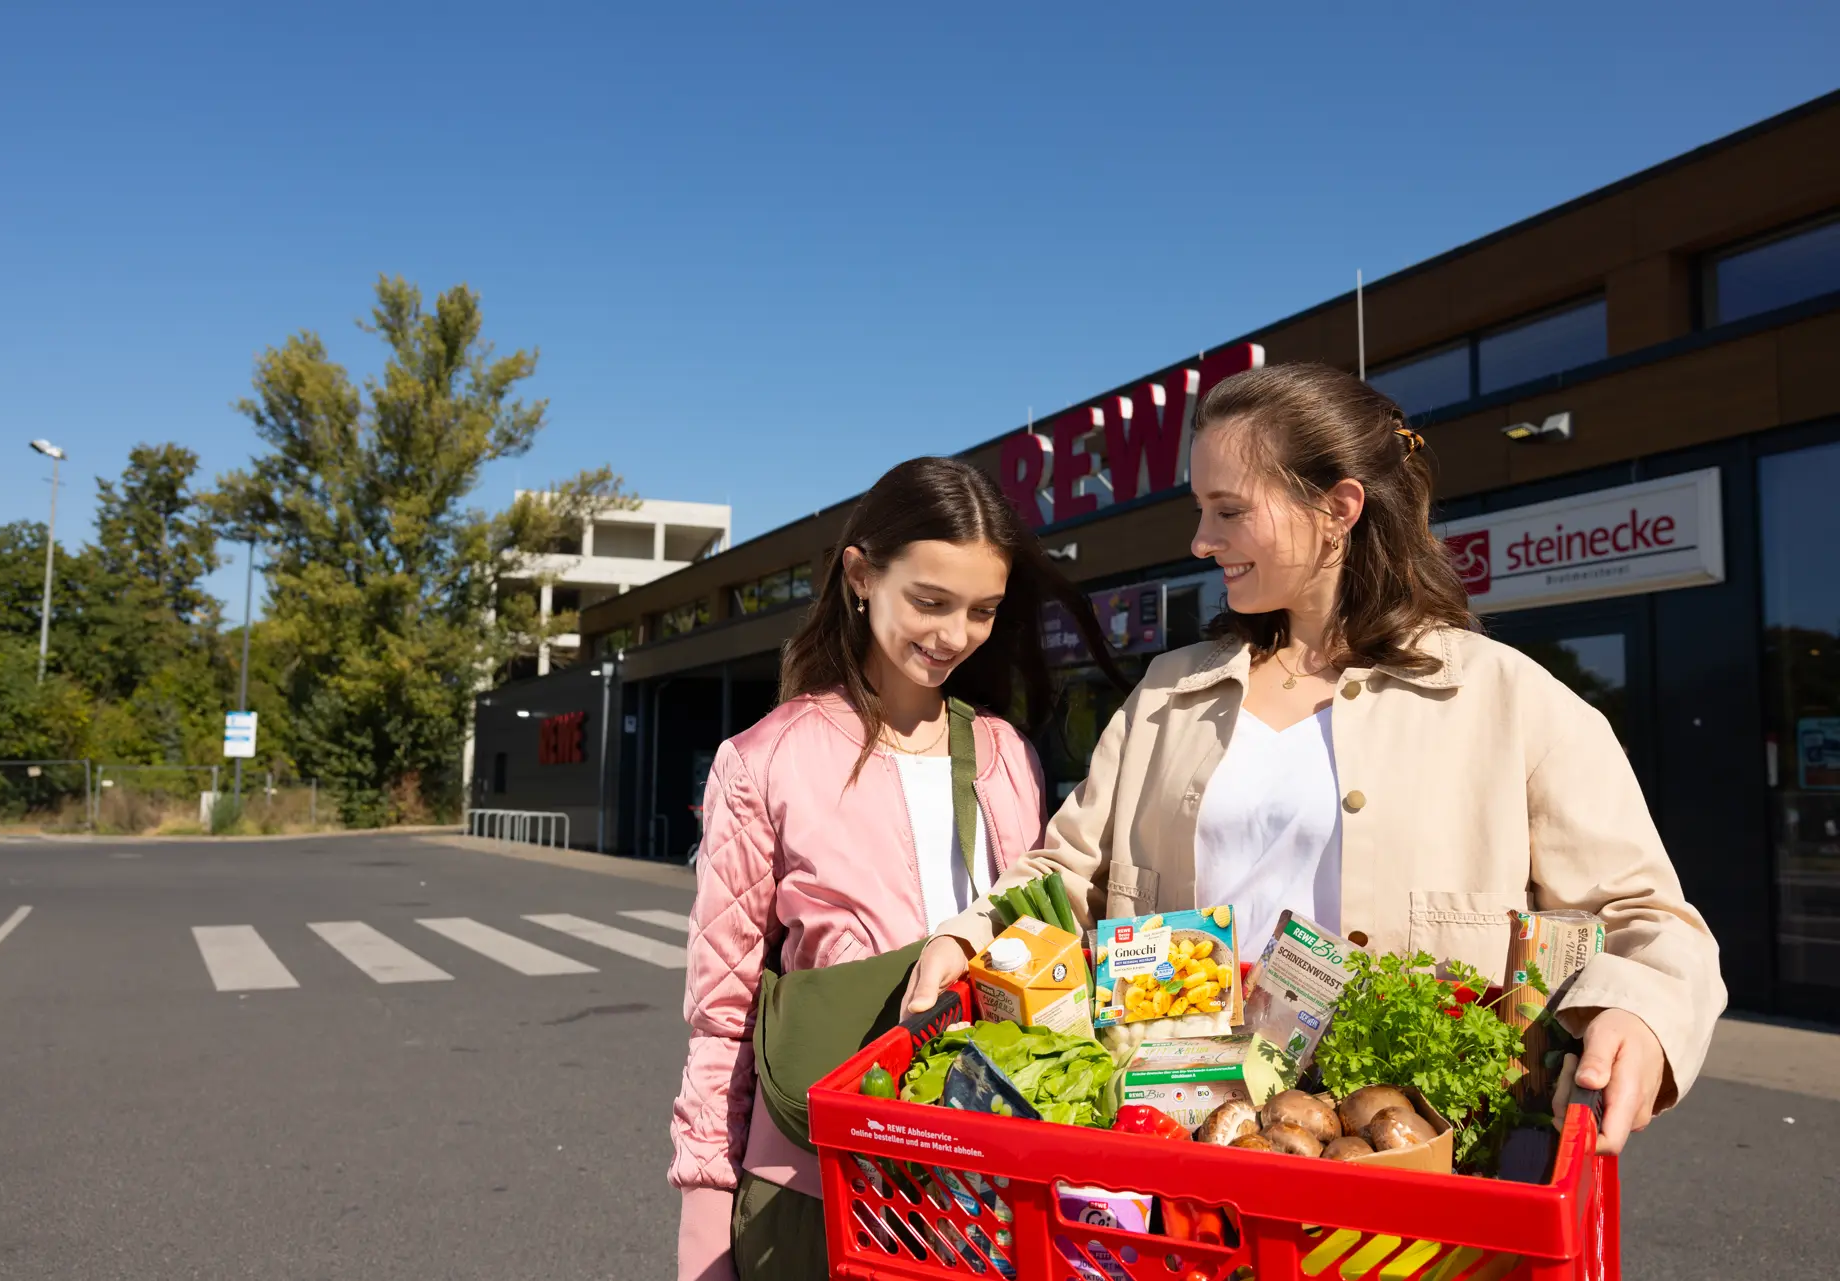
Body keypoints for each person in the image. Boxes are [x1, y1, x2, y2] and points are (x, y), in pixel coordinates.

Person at [904, 363, 1726, 1155]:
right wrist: (969, 937)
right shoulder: (1165, 693)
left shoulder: (1506, 697)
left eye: (1229, 511)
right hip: (1183, 1147)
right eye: (1200, 510)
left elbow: (1648, 919)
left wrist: (1640, 1012)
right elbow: (1064, 867)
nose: (1199, 540)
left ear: (1337, 508)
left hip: (1410, 1158)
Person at [669, 457, 1124, 1281]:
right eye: (929, 600)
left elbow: (1034, 942)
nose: (955, 635)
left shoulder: (1004, 754)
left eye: (982, 610)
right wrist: (706, 1211)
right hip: (812, 1176)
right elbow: (722, 1010)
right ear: (860, 574)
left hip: (980, 1186)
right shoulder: (765, 758)